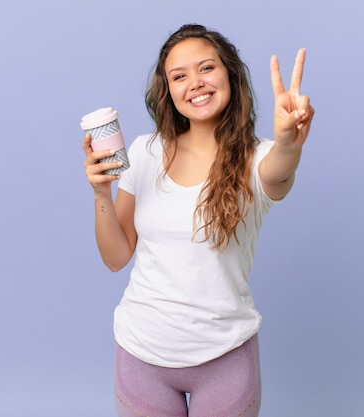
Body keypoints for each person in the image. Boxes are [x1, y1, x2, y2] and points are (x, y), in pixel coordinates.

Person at [82, 23, 314, 417]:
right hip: (142, 354)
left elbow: (279, 170)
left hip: (225, 357)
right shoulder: (144, 151)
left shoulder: (257, 158)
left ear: (229, 74)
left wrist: (290, 143)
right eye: (179, 75)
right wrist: (101, 193)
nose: (195, 83)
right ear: (168, 90)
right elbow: (116, 257)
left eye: (206, 68)